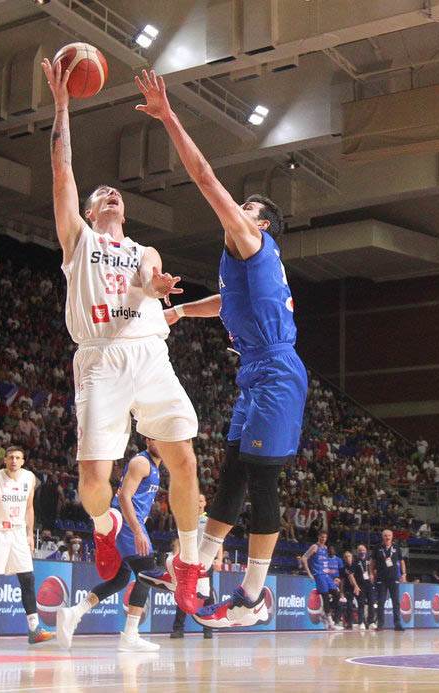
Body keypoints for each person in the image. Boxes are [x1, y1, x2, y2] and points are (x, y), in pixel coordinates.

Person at [132, 69, 308, 630]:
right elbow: (228, 301)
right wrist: (184, 310)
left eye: (249, 206)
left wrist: (169, 117)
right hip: (256, 373)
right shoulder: (246, 268)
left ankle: (254, 596)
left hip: (276, 373)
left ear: (260, 221)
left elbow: (207, 180)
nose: (240, 208)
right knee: (231, 474)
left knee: (261, 480)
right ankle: (195, 566)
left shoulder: (252, 239)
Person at [41, 56, 203, 613]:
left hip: (148, 354)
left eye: (117, 195)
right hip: (100, 358)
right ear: (87, 210)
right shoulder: (79, 240)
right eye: (102, 194)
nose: (111, 196)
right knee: (94, 479)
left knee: (184, 460)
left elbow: (149, 277)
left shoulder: (141, 249)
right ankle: (104, 524)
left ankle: (186, 560)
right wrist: (62, 105)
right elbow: (63, 173)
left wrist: (156, 286)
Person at [57, 437, 164, 652]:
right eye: (155, 437)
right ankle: (130, 635)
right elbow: (124, 496)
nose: (160, 442)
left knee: (119, 580)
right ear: (147, 439)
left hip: (130, 523)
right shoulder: (141, 462)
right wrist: (136, 530)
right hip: (126, 523)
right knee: (147, 574)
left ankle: (74, 613)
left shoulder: (155, 467)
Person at [0, 446, 53, 646]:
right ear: (4, 460)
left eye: (17, 458)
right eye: (10, 458)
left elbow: (30, 508)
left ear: (23, 461)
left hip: (18, 533)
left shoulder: (29, 478)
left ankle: (34, 629)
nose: (14, 461)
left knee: (27, 579)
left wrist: (30, 534)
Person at [171, 494, 219, 639]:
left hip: (205, 563)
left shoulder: (209, 521)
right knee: (184, 593)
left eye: (201, 500)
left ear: (204, 503)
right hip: (188, 562)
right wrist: (176, 555)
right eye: (196, 500)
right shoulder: (187, 519)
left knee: (208, 596)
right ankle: (178, 629)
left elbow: (218, 540)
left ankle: (208, 628)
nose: (198, 503)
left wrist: (219, 558)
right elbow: (178, 540)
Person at [300, 532, 339, 631]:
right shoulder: (314, 547)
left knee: (337, 594)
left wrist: (330, 572)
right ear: (318, 537)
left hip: (327, 575)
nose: (323, 539)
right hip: (319, 575)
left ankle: (324, 613)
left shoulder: (326, 548)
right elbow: (304, 558)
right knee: (325, 596)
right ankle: (330, 621)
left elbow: (324, 563)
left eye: (325, 537)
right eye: (322, 537)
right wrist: (309, 573)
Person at [373, 529, 407, 631]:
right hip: (381, 578)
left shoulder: (396, 547)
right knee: (381, 601)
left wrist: (404, 574)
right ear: (382, 537)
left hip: (394, 578)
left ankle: (397, 624)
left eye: (389, 535)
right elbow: (372, 562)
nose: (387, 537)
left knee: (396, 602)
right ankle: (380, 624)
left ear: (392, 537)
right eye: (385, 535)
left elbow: (402, 561)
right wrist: (370, 573)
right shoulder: (377, 547)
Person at [347, 544, 375, 630]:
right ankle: (361, 622)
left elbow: (373, 570)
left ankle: (371, 622)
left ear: (366, 551)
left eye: (363, 550)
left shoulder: (369, 560)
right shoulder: (355, 562)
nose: (362, 552)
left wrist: (372, 576)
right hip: (360, 586)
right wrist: (355, 586)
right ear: (357, 552)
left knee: (371, 603)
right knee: (361, 604)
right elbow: (350, 575)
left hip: (369, 585)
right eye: (360, 550)